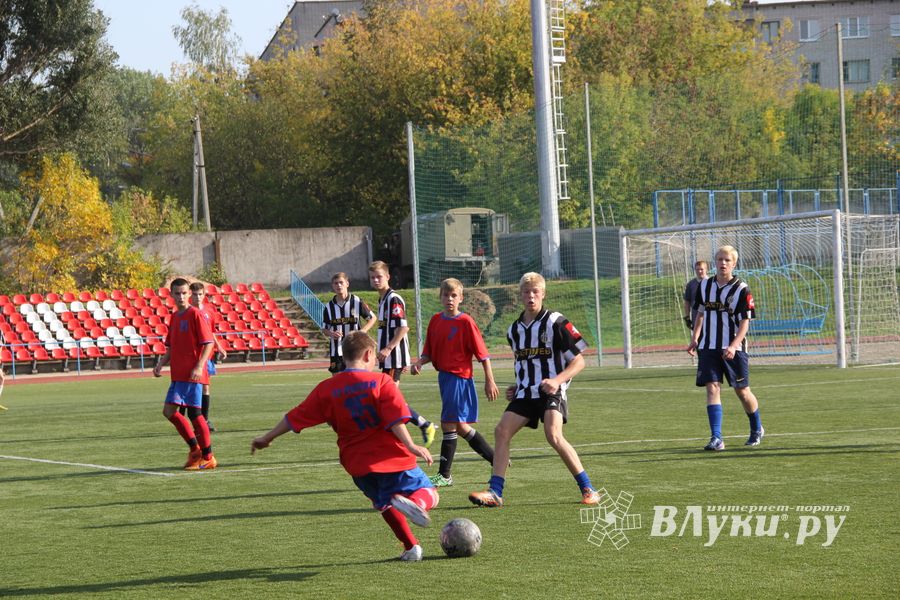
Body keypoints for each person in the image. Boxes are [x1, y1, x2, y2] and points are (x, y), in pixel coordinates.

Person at [250, 331, 438, 562]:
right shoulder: (381, 381)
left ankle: (412, 548)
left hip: (357, 465)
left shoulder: (327, 388)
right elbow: (396, 417)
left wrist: (267, 437)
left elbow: (294, 417)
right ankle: (417, 505)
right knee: (430, 492)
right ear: (369, 354)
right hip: (391, 458)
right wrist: (411, 445)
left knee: (383, 504)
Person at [468, 272, 602, 508]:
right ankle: (495, 492)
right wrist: (516, 386)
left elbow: (579, 361)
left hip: (551, 391)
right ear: (520, 295)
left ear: (543, 294)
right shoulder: (514, 330)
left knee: (553, 435)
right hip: (526, 393)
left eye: (535, 292)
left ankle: (589, 488)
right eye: (526, 292)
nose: (531, 296)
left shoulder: (556, 322)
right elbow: (526, 363)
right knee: (501, 431)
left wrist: (557, 380)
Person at [410, 278, 499, 487]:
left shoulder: (465, 322)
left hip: (459, 378)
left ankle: (445, 475)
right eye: (445, 295)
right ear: (440, 297)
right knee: (460, 426)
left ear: (461, 298)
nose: (449, 299)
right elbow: (430, 352)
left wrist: (490, 380)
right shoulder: (435, 320)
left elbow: (482, 354)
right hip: (445, 378)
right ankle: (497, 461)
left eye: (453, 296)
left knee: (448, 423)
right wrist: (419, 362)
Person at [687, 245, 764, 451]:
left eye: (727, 260)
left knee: (742, 391)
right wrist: (695, 338)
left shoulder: (741, 289)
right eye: (720, 259)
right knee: (712, 387)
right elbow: (700, 313)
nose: (722, 263)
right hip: (708, 346)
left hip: (733, 348)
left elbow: (745, 323)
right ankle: (716, 438)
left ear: (734, 263)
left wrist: (733, 345)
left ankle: (756, 428)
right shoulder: (705, 286)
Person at [368, 260, 436, 448]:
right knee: (390, 399)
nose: (376, 280)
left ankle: (413, 430)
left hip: (393, 358)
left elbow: (403, 328)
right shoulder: (382, 299)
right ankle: (423, 425)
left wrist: (389, 349)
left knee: (387, 399)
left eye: (379, 276)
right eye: (373, 277)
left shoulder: (393, 299)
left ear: (388, 277)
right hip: (390, 359)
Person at [153, 278, 217, 470]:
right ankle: (195, 450)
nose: (181, 296)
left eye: (184, 293)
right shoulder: (175, 317)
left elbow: (209, 343)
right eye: (177, 293)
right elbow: (171, 347)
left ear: (189, 294)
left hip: (193, 375)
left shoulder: (195, 314)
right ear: (171, 294)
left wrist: (199, 366)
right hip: (178, 375)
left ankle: (208, 456)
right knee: (169, 411)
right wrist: (160, 364)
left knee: (195, 414)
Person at [186, 281, 227, 431]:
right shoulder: (187, 312)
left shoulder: (210, 311)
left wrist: (219, 346)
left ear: (204, 295)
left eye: (200, 294)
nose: (197, 297)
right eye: (195, 294)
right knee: (190, 388)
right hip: (191, 356)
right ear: (190, 295)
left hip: (207, 356)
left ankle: (205, 421)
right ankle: (193, 420)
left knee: (205, 388)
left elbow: (211, 332)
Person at [323, 272, 375, 374]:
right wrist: (331, 333)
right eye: (336, 283)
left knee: (356, 376)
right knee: (336, 379)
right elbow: (324, 329)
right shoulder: (329, 307)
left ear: (347, 283)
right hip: (336, 349)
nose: (339, 285)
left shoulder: (357, 301)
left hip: (355, 348)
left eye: (341, 282)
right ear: (333, 286)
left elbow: (372, 318)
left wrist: (362, 331)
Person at [683, 260, 709, 328]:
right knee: (697, 338)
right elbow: (687, 301)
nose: (699, 271)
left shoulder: (712, 283)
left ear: (706, 269)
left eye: (701, 269)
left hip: (710, 318)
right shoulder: (691, 284)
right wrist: (687, 317)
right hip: (696, 318)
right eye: (697, 269)